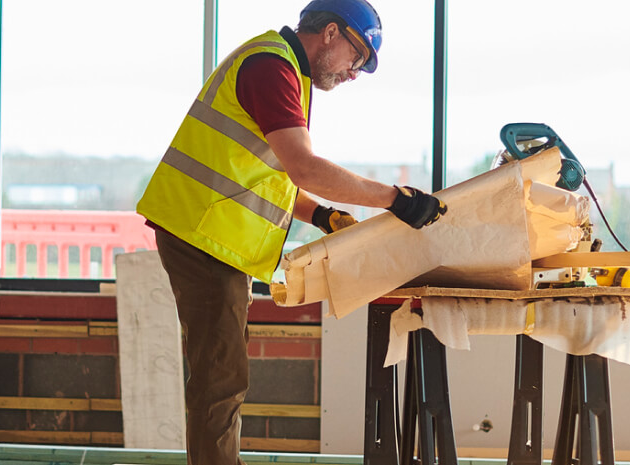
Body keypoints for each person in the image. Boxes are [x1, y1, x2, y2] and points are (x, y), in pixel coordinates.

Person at [134, 0, 447, 463]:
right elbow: (304, 167)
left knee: (222, 374)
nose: (353, 73)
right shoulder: (271, 66)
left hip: (212, 235)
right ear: (331, 34)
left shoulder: (286, 71)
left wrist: (323, 217)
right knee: (220, 380)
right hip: (201, 236)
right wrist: (396, 199)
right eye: (356, 57)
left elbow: (267, 176)